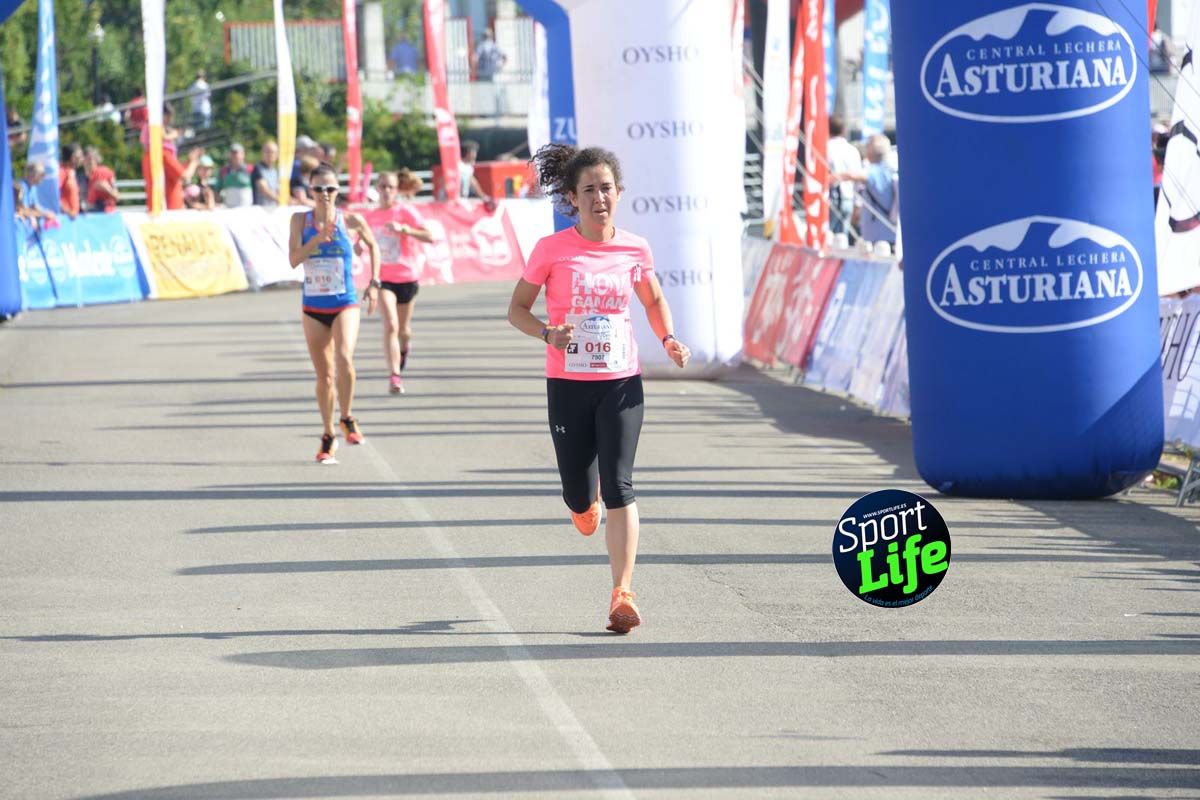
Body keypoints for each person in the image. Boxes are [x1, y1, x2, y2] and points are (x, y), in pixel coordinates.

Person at [507, 144, 691, 634]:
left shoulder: (634, 248)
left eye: (606, 188)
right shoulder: (552, 250)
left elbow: (652, 300)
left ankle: (622, 593)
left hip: (620, 382)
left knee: (620, 486)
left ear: (619, 193)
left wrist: (668, 338)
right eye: (588, 190)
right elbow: (517, 309)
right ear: (572, 197)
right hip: (568, 383)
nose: (599, 198)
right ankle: (579, 505)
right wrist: (548, 333)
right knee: (578, 492)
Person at [287, 163, 381, 463]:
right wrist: (317, 239)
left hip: (345, 301)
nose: (325, 195)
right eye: (318, 189)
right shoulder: (300, 221)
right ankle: (328, 434)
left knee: (345, 358)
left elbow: (373, 246)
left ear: (337, 190)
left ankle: (348, 415)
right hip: (314, 306)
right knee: (324, 376)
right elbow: (293, 260)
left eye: (330, 189)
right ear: (311, 191)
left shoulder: (351, 220)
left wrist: (375, 282)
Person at [373, 170, 434, 395]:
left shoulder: (405, 211)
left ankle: (404, 347)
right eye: (383, 187)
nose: (386, 191)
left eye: (390, 187)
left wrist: (405, 229)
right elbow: (361, 241)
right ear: (377, 189)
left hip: (406, 277)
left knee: (403, 330)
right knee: (390, 325)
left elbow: (430, 236)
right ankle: (394, 375)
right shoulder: (371, 217)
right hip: (382, 279)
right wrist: (358, 246)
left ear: (397, 190)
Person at [840, 134, 897, 247]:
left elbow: (854, 175)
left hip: (878, 237)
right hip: (889, 233)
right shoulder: (890, 170)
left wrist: (831, 178)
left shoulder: (875, 171)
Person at [141, 105, 202, 211]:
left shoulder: (148, 157)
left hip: (156, 207)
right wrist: (193, 163)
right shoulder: (162, 154)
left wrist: (188, 161)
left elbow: (175, 173)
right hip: (170, 207)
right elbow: (185, 176)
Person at [826, 117, 861, 239]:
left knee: (827, 239)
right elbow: (858, 180)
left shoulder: (825, 148)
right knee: (842, 240)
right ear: (844, 130)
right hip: (848, 198)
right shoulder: (852, 150)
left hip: (829, 199)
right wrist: (858, 204)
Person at [18, 162, 57, 227]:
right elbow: (22, 210)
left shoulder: (33, 188)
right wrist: (42, 214)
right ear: (31, 175)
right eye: (40, 175)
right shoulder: (21, 186)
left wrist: (46, 212)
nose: (42, 179)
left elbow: (35, 205)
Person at [84, 147, 119, 213]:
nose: (89, 161)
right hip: (88, 213)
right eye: (87, 159)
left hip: (105, 212)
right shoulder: (79, 177)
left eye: (91, 159)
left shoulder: (105, 172)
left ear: (96, 160)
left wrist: (107, 189)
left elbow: (116, 196)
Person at [218, 143, 254, 208]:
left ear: (243, 154)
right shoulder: (224, 170)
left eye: (237, 153)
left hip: (247, 208)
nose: (235, 155)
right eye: (232, 153)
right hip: (229, 209)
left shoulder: (250, 169)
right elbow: (218, 188)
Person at [252, 141, 281, 208]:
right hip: (260, 210)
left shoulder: (275, 171)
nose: (270, 154)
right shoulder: (258, 169)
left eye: (272, 152)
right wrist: (281, 200)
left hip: (273, 209)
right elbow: (264, 190)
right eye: (267, 151)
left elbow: (278, 189)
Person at [59, 144, 83, 218]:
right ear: (73, 157)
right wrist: (68, 211)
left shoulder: (71, 172)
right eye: (80, 157)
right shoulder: (61, 171)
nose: (82, 159)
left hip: (72, 219)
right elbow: (53, 194)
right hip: (64, 219)